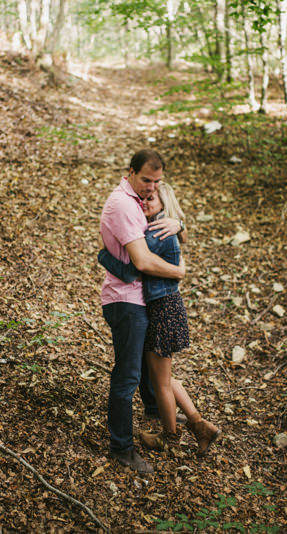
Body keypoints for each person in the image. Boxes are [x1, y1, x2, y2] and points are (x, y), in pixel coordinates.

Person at [99, 183, 221, 457]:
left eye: (151, 198)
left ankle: (171, 438)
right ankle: (199, 425)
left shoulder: (155, 232)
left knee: (161, 381)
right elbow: (181, 237)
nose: (144, 201)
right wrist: (179, 223)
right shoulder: (164, 226)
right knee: (162, 375)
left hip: (163, 309)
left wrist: (104, 254)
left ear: (163, 203)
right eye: (143, 197)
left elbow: (133, 268)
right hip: (164, 307)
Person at [99, 149, 186, 474]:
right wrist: (178, 272)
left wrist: (178, 222)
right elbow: (143, 261)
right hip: (125, 300)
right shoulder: (122, 203)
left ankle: (155, 410)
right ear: (131, 172)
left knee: (150, 365)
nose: (151, 187)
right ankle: (121, 447)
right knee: (127, 375)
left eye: (157, 181)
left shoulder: (137, 200)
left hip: (142, 297)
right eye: (146, 180)